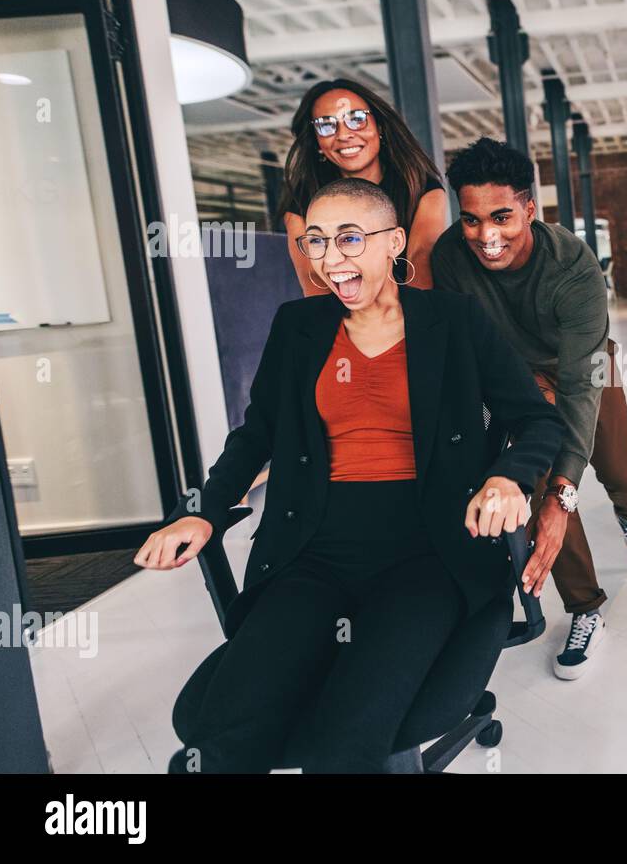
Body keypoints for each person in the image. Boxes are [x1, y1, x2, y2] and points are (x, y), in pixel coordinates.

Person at [135, 178, 562, 772]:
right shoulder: (298, 327)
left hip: (429, 554)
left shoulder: (454, 320)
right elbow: (257, 434)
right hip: (313, 548)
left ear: (393, 243)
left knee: (349, 733)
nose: (331, 258)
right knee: (224, 729)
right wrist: (202, 512)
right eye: (315, 241)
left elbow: (539, 421)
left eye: (349, 238)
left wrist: (508, 477)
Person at [431, 137, 627, 681]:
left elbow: (580, 385)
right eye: (472, 220)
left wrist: (567, 496)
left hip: (584, 364)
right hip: (517, 380)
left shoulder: (573, 266)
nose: (488, 236)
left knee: (615, 465)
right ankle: (585, 608)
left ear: (530, 207)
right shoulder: (449, 258)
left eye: (502, 216)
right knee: (536, 481)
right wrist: (553, 493)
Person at [278, 78, 448, 294]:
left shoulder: (420, 187)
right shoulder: (301, 200)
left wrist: (410, 320)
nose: (344, 135)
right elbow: (313, 279)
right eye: (326, 125)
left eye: (357, 119)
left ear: (380, 127)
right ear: (317, 142)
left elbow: (420, 258)